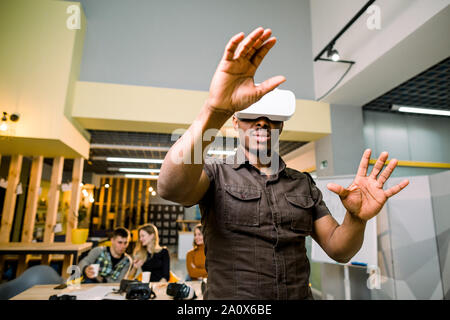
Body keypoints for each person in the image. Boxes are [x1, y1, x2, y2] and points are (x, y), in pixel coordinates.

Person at [157, 27, 409, 299]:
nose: (262, 121)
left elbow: (339, 249)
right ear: (235, 121)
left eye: (271, 117)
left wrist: (356, 219)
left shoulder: (302, 183)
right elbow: (171, 188)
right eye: (251, 115)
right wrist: (214, 111)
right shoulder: (215, 175)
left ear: (281, 126)